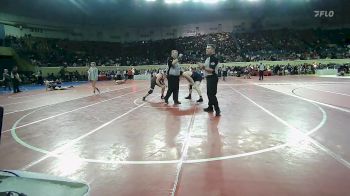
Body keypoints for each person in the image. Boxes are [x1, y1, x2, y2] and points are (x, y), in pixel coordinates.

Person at [198, 44, 221, 116]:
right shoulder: (208, 59)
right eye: (206, 48)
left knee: (212, 94)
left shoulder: (213, 58)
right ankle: (210, 107)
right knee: (209, 93)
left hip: (212, 77)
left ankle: (217, 109)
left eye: (208, 48)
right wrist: (201, 66)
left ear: (213, 50)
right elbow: (205, 68)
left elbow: (211, 70)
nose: (206, 49)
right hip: (209, 78)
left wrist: (203, 67)